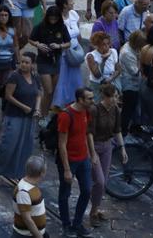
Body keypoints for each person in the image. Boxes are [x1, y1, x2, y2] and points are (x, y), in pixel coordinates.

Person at [0, 52, 40, 183]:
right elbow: (8, 96)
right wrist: (23, 106)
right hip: (14, 115)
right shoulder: (14, 77)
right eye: (22, 62)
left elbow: (38, 94)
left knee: (25, 146)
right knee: (8, 145)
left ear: (32, 65)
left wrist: (37, 109)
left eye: (27, 62)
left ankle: (19, 173)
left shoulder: (35, 77)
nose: (23, 65)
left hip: (29, 117)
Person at [56, 87, 96, 237]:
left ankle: (77, 223)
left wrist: (92, 153)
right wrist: (67, 169)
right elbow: (62, 144)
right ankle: (66, 224)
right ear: (80, 100)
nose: (93, 101)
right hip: (69, 161)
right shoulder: (66, 116)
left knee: (86, 190)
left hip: (83, 158)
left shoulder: (86, 112)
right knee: (65, 193)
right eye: (90, 98)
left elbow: (86, 133)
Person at [88, 83, 125, 228]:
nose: (116, 99)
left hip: (107, 146)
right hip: (95, 145)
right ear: (106, 96)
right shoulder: (95, 110)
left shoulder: (115, 110)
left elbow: (117, 130)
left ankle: (95, 209)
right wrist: (92, 153)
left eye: (117, 96)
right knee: (99, 180)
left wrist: (122, 148)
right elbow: (89, 133)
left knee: (104, 180)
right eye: (114, 97)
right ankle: (92, 211)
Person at [31, 5, 69, 115]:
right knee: (48, 90)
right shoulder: (40, 27)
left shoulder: (62, 27)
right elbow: (31, 39)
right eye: (51, 18)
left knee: (52, 91)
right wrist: (38, 45)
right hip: (43, 60)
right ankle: (42, 113)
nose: (53, 20)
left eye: (55, 18)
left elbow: (68, 43)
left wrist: (59, 46)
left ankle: (46, 112)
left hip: (56, 59)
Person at [118, 29, 146, 135]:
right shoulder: (127, 53)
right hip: (129, 84)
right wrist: (140, 61)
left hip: (133, 83)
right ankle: (123, 131)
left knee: (131, 108)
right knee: (128, 109)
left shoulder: (130, 47)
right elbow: (135, 72)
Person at [85, 32, 120, 101]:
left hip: (111, 83)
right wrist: (103, 61)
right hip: (97, 85)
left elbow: (118, 69)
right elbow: (97, 75)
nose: (107, 46)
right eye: (103, 44)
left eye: (108, 43)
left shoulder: (113, 51)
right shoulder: (91, 56)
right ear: (97, 45)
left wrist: (110, 78)